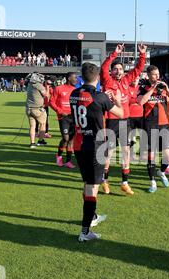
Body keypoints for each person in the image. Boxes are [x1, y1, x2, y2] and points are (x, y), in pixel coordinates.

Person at [71, 63, 124, 242]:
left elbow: (88, 102)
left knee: (87, 183)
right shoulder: (100, 97)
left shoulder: (73, 94)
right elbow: (121, 114)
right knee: (92, 187)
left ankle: (91, 217)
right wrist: (115, 99)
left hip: (78, 144)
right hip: (95, 145)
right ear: (98, 78)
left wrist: (103, 99)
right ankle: (85, 231)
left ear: (82, 77)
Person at [100, 43, 147, 196]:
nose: (118, 71)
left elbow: (139, 69)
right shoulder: (107, 81)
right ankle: (104, 181)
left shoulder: (127, 80)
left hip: (125, 121)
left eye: (120, 69)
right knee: (110, 153)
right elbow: (103, 68)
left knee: (126, 151)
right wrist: (114, 53)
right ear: (112, 71)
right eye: (115, 69)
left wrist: (142, 54)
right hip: (111, 121)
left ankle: (124, 182)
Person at [138, 65, 169, 193]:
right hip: (150, 124)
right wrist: (152, 89)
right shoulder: (143, 87)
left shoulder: (163, 87)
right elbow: (141, 102)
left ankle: (161, 172)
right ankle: (152, 181)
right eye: (154, 74)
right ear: (148, 75)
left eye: (158, 73)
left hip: (164, 123)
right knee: (151, 155)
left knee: (167, 154)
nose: (157, 76)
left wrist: (167, 89)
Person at [50, 72, 78, 169]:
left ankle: (68, 161)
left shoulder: (75, 90)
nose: (77, 79)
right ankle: (59, 156)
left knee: (71, 140)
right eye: (75, 77)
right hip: (63, 118)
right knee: (65, 139)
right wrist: (60, 111)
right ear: (69, 78)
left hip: (73, 118)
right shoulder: (58, 88)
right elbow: (51, 102)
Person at [26, 73, 49, 148]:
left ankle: (32, 143)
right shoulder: (39, 85)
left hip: (29, 108)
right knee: (42, 124)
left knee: (32, 126)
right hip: (37, 109)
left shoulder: (29, 85)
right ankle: (40, 140)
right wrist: (47, 87)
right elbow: (46, 95)